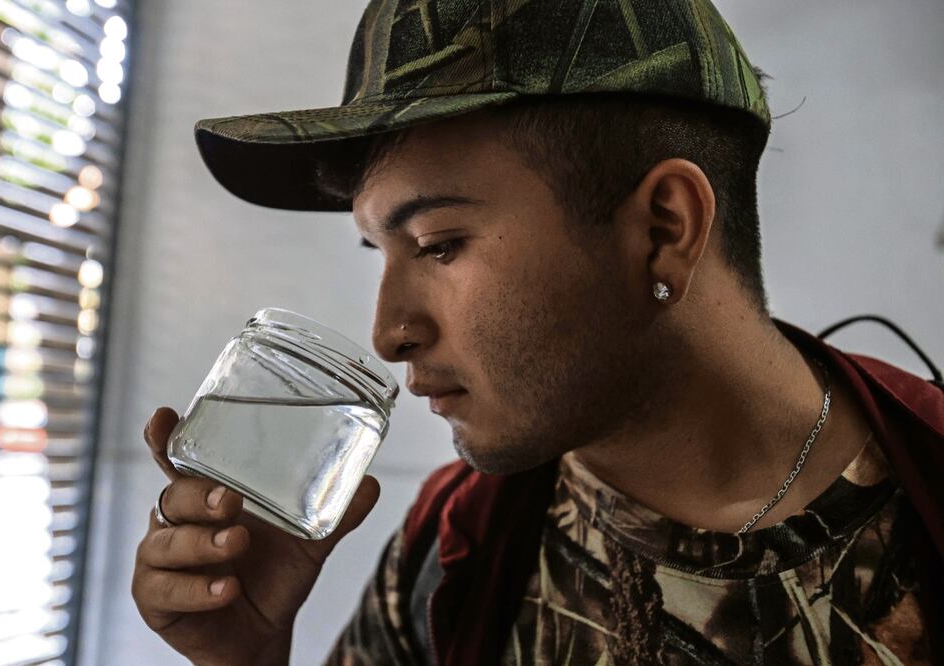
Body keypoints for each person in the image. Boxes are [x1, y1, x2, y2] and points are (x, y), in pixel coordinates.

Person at [131, 1, 943, 664]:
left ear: (664, 227)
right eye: (378, 254)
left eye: (440, 245)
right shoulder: (454, 551)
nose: (387, 333)